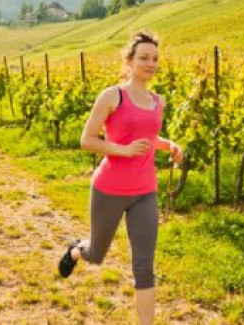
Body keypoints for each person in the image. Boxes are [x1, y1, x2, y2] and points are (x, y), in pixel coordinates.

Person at [58, 31, 182, 325]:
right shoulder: (113, 96)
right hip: (109, 190)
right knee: (96, 254)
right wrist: (123, 151)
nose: (150, 63)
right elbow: (87, 140)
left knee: (144, 267)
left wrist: (170, 145)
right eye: (143, 58)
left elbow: (149, 137)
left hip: (144, 192)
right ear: (129, 61)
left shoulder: (157, 101)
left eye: (154, 58)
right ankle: (76, 251)